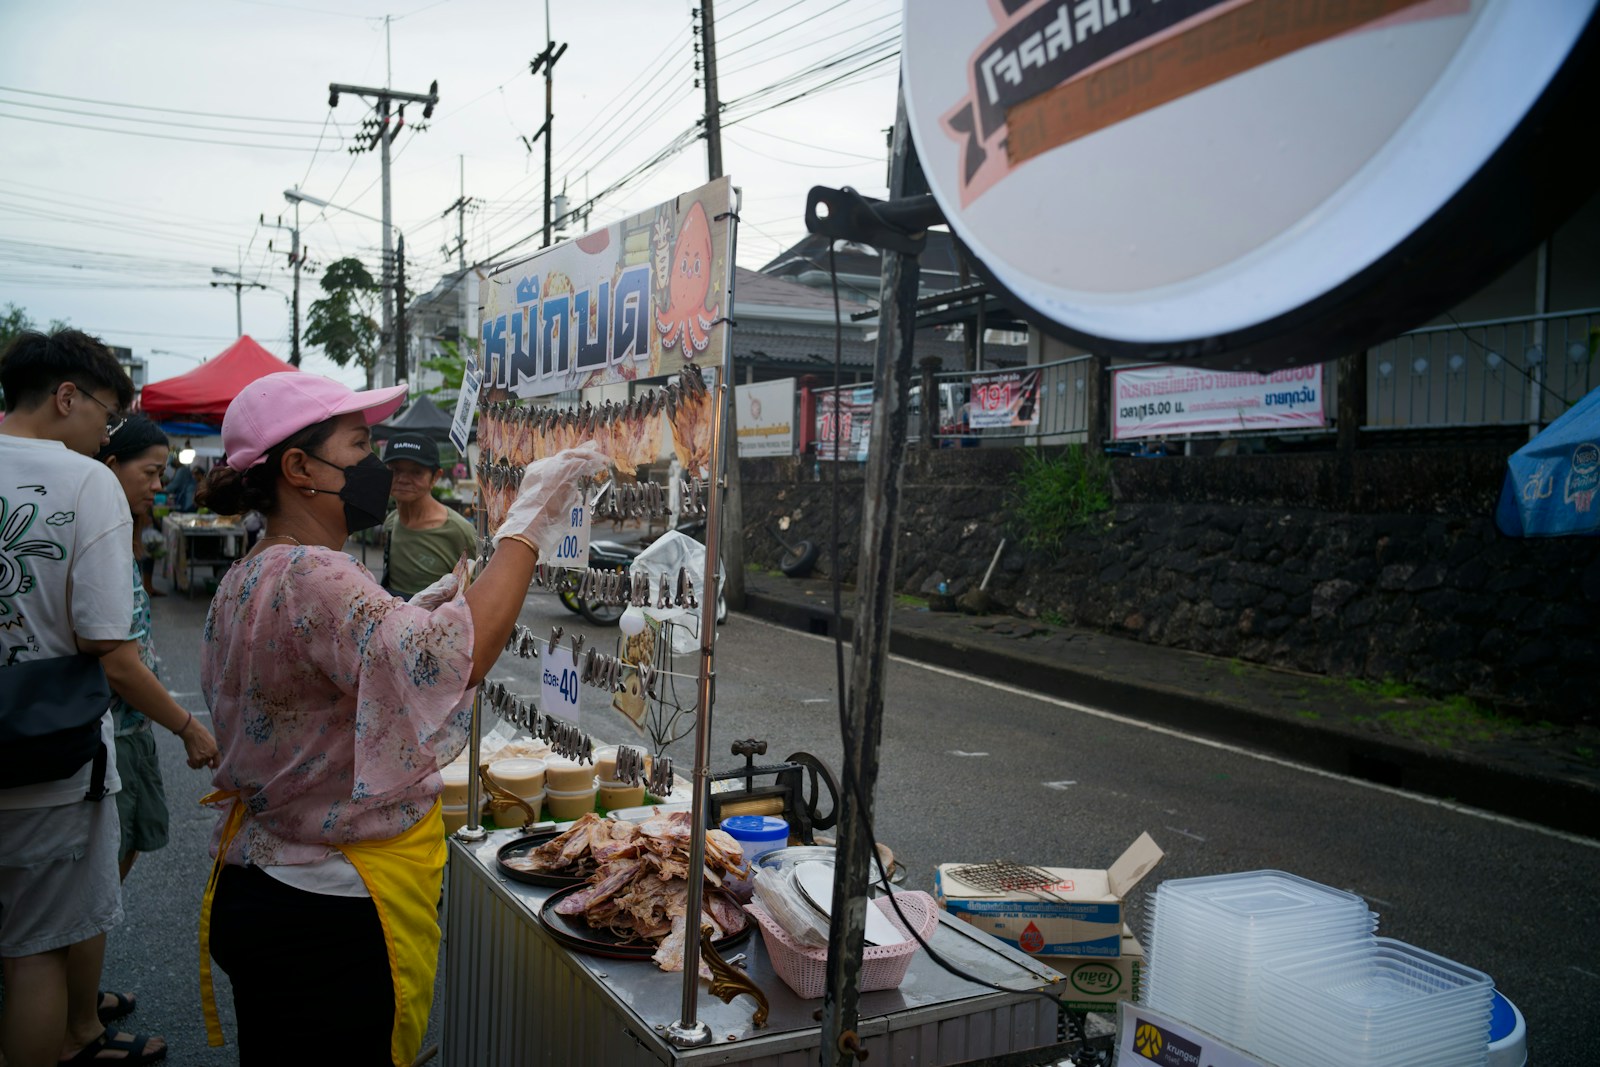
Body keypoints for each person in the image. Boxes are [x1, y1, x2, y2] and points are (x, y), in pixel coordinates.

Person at [195, 371, 604, 1066]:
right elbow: (452, 661)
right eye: (360, 444)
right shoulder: (316, 574)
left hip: (263, 887)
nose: (376, 466)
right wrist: (528, 521)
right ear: (299, 468)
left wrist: (419, 606)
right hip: (324, 907)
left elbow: (332, 675)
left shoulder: (250, 573)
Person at [0, 329, 166, 1067]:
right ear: (66, 396)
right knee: (36, 951)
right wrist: (189, 725)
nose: (107, 433)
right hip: (46, 756)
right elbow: (108, 638)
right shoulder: (83, 480)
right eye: (105, 415)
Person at [95, 416, 221, 883]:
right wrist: (188, 726)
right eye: (149, 473)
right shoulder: (100, 542)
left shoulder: (118, 534)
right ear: (111, 466)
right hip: (112, 739)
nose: (159, 485)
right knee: (100, 884)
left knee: (116, 867)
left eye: (162, 474)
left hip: (130, 730)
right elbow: (119, 666)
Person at [379, 433, 479, 598]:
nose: (403, 479)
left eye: (416, 472)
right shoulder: (392, 522)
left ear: (436, 477)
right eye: (395, 470)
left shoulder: (459, 531)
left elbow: (477, 593)